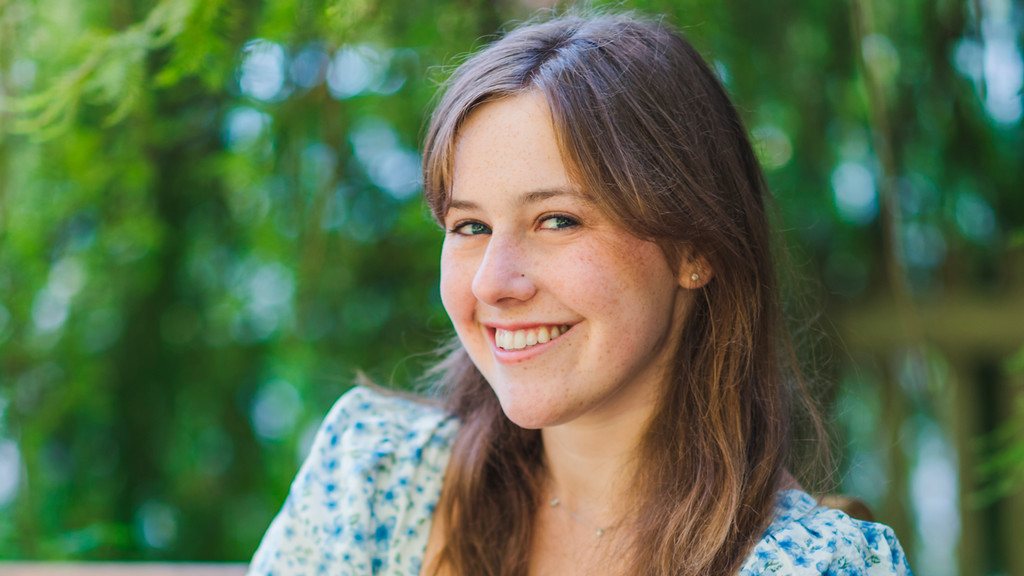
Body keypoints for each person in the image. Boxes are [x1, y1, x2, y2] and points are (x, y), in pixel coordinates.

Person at [246, 10, 913, 576]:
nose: (493, 283)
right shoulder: (372, 485)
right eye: (470, 226)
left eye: (556, 220)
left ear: (697, 249)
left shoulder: (811, 566)